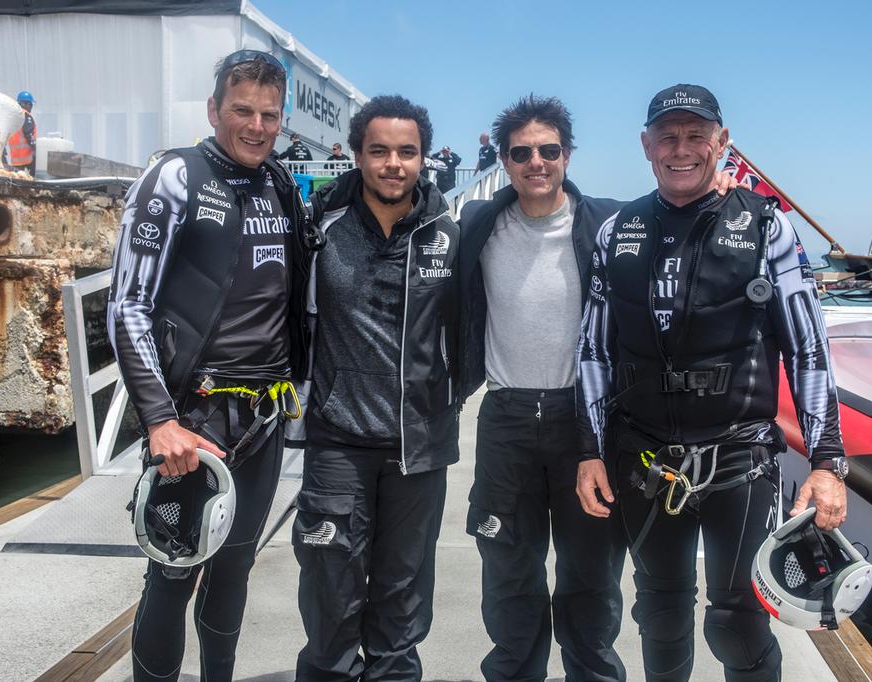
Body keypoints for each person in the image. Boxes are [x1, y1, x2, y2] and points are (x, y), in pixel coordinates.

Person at [577, 83, 848, 681]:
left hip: (740, 460)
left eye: (696, 135)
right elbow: (593, 350)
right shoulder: (614, 231)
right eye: (667, 136)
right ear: (645, 145)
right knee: (660, 613)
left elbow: (808, 347)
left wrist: (828, 461)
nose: (682, 149)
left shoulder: (766, 229)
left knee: (737, 621)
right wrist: (590, 451)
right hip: (645, 459)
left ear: (721, 143)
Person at [107, 50, 315, 682]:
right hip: (194, 417)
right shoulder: (175, 177)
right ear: (213, 110)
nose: (256, 126)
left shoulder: (281, 184)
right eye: (241, 110)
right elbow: (128, 306)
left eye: (269, 115)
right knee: (174, 572)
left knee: (234, 567)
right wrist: (159, 421)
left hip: (265, 416)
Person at [458, 94, 627, 682]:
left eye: (549, 150)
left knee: (592, 577)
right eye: (522, 152)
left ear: (568, 155)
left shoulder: (609, 225)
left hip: (583, 425)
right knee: (507, 574)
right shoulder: (479, 226)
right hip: (505, 420)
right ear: (504, 160)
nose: (537, 162)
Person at [291, 94, 460, 680]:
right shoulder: (318, 225)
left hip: (420, 445)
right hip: (337, 441)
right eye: (380, 150)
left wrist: (443, 398)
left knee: (402, 602)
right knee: (329, 595)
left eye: (407, 152)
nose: (394, 163)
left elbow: (472, 333)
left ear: (425, 158)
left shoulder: (449, 232)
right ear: (358, 155)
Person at [7, 90, 37, 176]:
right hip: (28, 158)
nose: (31, 107)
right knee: (33, 181)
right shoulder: (26, 116)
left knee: (18, 181)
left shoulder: (13, 117)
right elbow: (28, 133)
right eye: (30, 104)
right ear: (25, 104)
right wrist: (35, 148)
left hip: (16, 159)